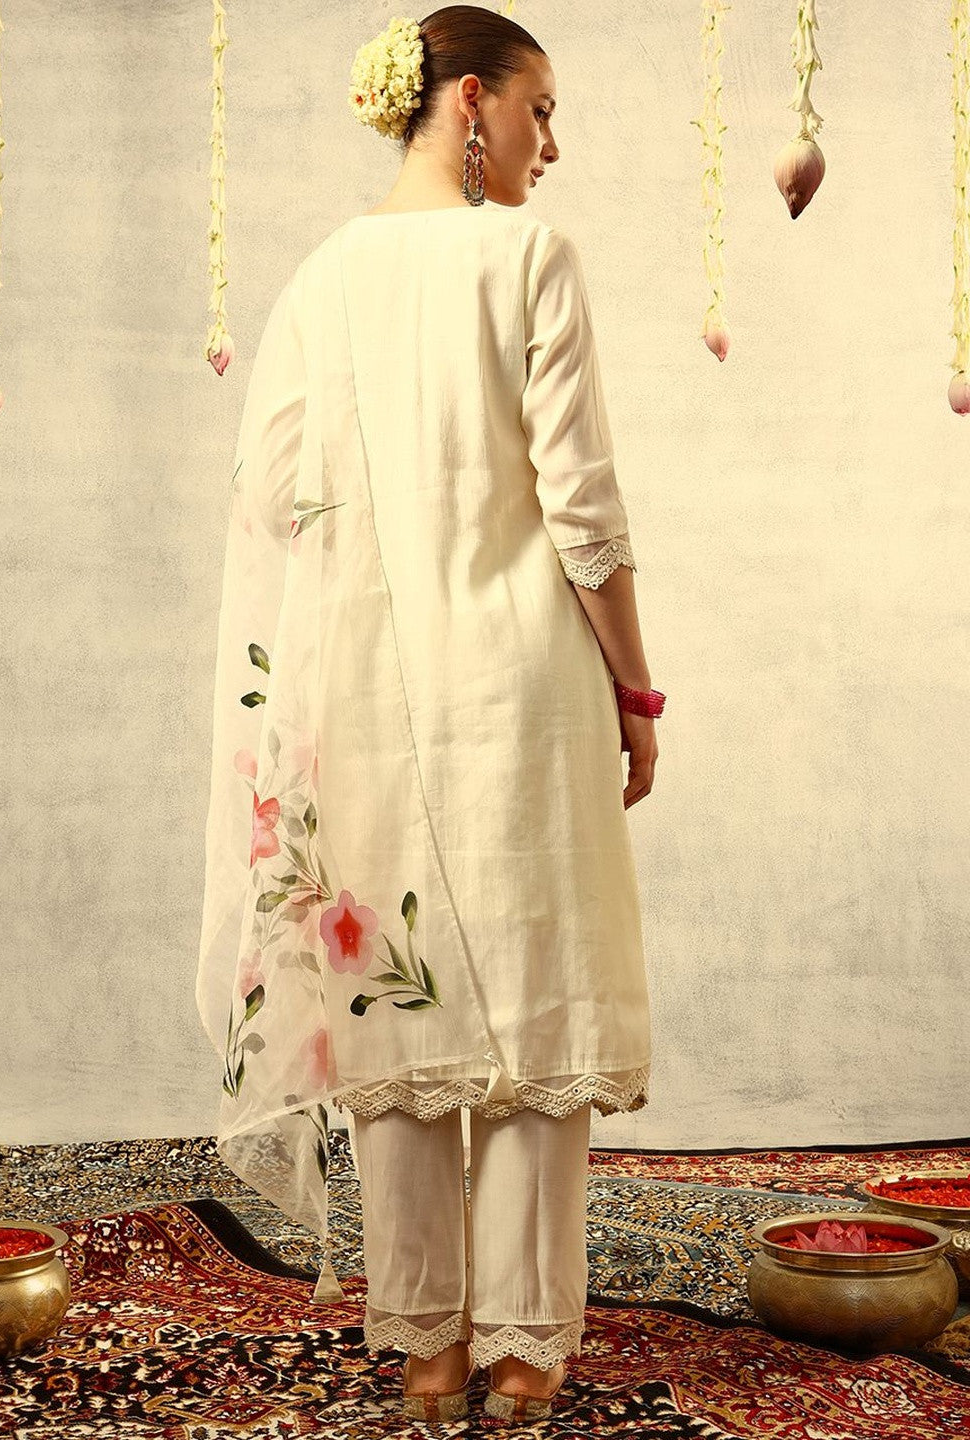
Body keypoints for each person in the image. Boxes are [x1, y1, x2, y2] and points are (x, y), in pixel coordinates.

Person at [195, 4, 664, 1425]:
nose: (551, 144)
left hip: (368, 686)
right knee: (532, 995)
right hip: (523, 689)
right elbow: (582, 503)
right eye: (539, 109)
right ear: (470, 102)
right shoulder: (529, 257)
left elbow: (274, 496)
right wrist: (637, 687)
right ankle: (524, 1352)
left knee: (393, 999)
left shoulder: (324, 276)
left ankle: (425, 1349)